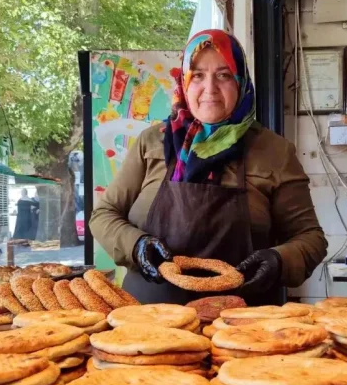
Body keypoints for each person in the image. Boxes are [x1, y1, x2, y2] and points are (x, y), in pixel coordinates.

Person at [89, 30, 327, 305]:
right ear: (184, 83)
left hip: (244, 325)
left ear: (241, 82)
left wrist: (279, 260)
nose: (210, 88)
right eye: (198, 75)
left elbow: (311, 238)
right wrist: (136, 245)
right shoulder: (152, 142)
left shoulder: (275, 152)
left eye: (224, 75)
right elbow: (104, 215)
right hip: (150, 321)